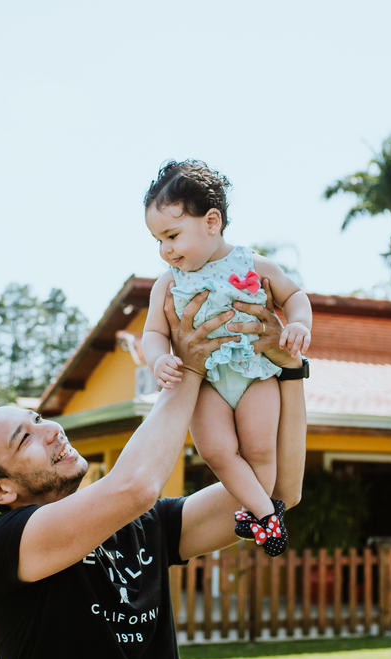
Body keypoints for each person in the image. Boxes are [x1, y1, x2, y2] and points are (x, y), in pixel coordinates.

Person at [0, 289, 307, 659]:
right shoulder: (1, 546)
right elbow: (136, 485)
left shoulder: (150, 524)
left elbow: (274, 493)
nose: (50, 431)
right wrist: (188, 367)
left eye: (38, 419)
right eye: (24, 439)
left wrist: (290, 371)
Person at [141, 159, 313, 557]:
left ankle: (257, 511)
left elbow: (294, 296)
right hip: (206, 383)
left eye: (172, 235)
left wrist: (299, 325)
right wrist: (156, 360)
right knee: (216, 451)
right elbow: (154, 332)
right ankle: (266, 513)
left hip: (255, 373)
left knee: (260, 450)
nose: (166, 249)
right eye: (158, 241)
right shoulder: (168, 283)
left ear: (211, 222)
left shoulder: (253, 264)